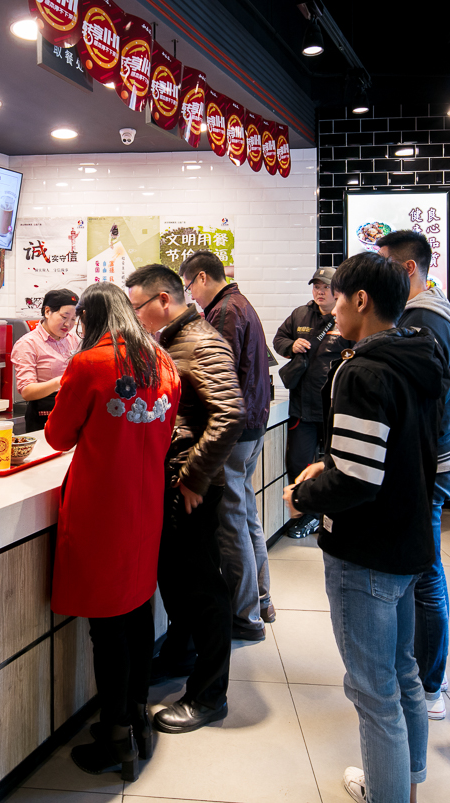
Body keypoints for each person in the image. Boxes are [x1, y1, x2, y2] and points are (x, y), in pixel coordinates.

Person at [284, 252, 445, 803]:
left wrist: (302, 495)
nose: (329, 311)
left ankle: (387, 793)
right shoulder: (422, 355)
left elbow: (356, 477)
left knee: (374, 692)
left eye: (337, 299)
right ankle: (407, 781)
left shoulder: (360, 370)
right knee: (403, 674)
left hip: (365, 549)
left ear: (361, 301)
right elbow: (441, 463)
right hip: (410, 540)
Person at [44, 283, 180, 781]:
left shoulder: (89, 364)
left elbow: (58, 436)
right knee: (138, 613)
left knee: (108, 627)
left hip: (103, 509)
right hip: (146, 506)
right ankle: (138, 718)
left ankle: (116, 734)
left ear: (88, 319)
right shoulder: (162, 362)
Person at [125, 264, 243, 734]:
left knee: (201, 588)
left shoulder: (201, 341)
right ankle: (179, 655)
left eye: (137, 308)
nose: (135, 318)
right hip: (174, 479)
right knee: (174, 578)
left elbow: (229, 414)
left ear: (163, 301)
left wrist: (194, 477)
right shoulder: (174, 340)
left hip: (190, 486)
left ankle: (210, 694)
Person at [377, 230, 450, 722]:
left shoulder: (422, 320)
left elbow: (421, 404)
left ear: (407, 268)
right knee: (423, 572)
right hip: (437, 457)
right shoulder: (432, 312)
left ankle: (429, 683)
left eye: (384, 263)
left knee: (425, 575)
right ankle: (430, 672)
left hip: (428, 462)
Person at [180, 250, 274, 639]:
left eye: (189, 287)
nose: (191, 296)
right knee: (246, 514)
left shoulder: (224, 311)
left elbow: (219, 374)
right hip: (252, 426)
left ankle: (246, 616)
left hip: (234, 432)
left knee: (231, 521)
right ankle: (262, 600)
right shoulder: (240, 303)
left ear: (202, 278)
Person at [273, 267, 353, 539]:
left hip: (335, 409)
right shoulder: (300, 314)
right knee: (297, 462)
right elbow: (278, 340)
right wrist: (291, 345)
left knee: (336, 465)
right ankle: (307, 515)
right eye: (316, 286)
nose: (320, 292)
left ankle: (332, 515)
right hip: (303, 408)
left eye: (325, 287)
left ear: (338, 292)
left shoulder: (346, 316)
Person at [12, 288, 80, 432]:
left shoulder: (73, 340)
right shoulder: (28, 343)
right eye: (64, 317)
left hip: (72, 412)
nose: (68, 324)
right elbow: (27, 391)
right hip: (43, 417)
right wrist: (59, 381)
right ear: (48, 312)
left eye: (73, 319)